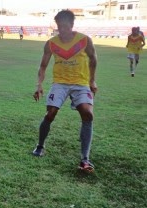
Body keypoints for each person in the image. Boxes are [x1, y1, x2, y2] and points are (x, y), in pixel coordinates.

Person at [31, 10, 98, 173]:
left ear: (72, 25)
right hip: (60, 84)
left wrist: (92, 80)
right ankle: (40, 146)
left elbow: (93, 58)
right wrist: (39, 84)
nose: (62, 30)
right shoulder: (51, 43)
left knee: (87, 114)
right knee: (50, 113)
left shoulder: (84, 40)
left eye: (65, 26)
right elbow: (43, 66)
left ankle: (84, 159)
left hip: (81, 83)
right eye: (60, 26)